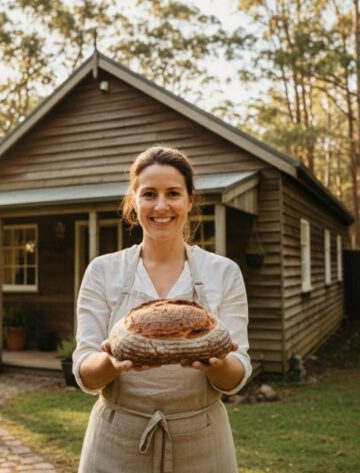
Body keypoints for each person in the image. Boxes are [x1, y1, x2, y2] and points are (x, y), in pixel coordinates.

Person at [73, 146, 252, 473]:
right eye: (149, 194)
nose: (160, 206)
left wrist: (215, 364)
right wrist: (113, 362)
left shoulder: (223, 272)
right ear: (134, 201)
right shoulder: (102, 271)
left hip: (202, 442)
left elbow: (236, 374)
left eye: (173, 193)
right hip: (116, 440)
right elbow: (85, 371)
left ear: (190, 200)